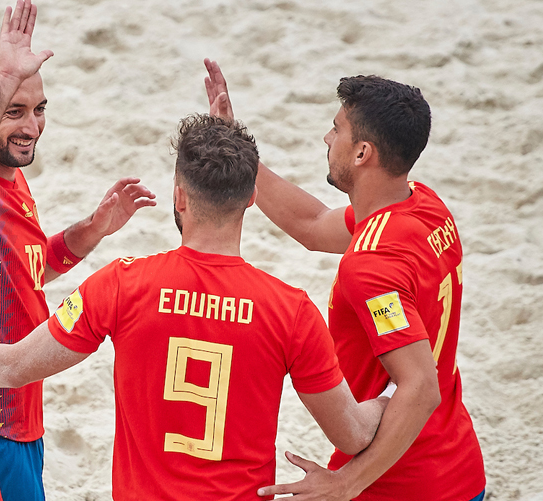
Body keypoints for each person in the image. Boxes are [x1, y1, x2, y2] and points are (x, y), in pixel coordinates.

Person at [0, 114, 394, 500]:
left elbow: (13, 365)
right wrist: (398, 391)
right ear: (251, 200)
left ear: (180, 197)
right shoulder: (292, 310)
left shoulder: (124, 284)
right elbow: (350, 431)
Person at [203, 59, 486, 501]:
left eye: (337, 129)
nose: (327, 138)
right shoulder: (425, 207)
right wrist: (239, 150)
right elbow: (313, 224)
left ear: (362, 153)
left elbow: (421, 387)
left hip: (399, 484)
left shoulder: (371, 265)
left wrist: (345, 484)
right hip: (458, 468)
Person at [0, 0, 156, 501]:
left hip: (18, 415)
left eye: (39, 109)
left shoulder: (13, 181)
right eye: (13, 111)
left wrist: (93, 228)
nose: (31, 127)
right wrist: (3, 78)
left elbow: (27, 270)